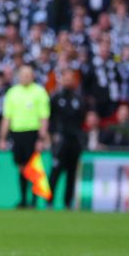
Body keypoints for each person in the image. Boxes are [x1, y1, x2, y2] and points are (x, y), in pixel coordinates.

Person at [0, 65, 50, 209]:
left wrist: (41, 138)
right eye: (23, 74)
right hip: (17, 133)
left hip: (33, 133)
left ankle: (34, 200)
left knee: (33, 167)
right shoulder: (12, 93)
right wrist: (2, 138)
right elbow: (7, 117)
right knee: (21, 167)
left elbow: (44, 118)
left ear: (33, 76)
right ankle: (23, 199)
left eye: (28, 74)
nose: (25, 77)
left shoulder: (39, 92)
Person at [47, 70, 87, 209]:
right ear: (61, 80)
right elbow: (50, 119)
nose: (68, 81)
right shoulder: (55, 98)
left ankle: (68, 202)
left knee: (72, 173)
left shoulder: (79, 99)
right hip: (60, 140)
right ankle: (49, 201)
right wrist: (52, 136)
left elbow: (82, 119)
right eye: (66, 78)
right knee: (55, 170)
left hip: (74, 140)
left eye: (71, 79)